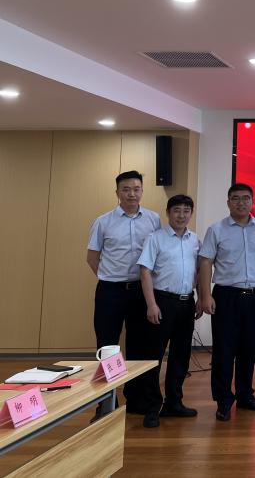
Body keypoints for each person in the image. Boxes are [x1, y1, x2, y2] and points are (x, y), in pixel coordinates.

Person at [86, 170, 161, 416]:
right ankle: (107, 403)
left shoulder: (153, 219)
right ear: (117, 192)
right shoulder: (103, 221)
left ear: (142, 191)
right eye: (126, 189)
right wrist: (109, 277)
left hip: (141, 291)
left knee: (139, 346)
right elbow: (92, 257)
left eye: (136, 189)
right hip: (111, 291)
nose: (131, 194)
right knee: (108, 346)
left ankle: (136, 399)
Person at [198, 183, 255, 422]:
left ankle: (245, 395)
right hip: (225, 296)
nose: (241, 203)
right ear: (228, 202)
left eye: (245, 198)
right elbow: (205, 262)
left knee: (248, 349)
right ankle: (223, 400)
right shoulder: (216, 229)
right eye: (235, 198)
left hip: (253, 296)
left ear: (252, 201)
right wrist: (205, 295)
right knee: (224, 350)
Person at [137, 194, 202, 429]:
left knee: (180, 355)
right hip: (162, 301)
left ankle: (174, 402)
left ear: (191, 214)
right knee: (153, 356)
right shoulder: (156, 238)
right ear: (168, 213)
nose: (181, 215)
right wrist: (151, 304)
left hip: (186, 303)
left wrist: (200, 298)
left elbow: (199, 271)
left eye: (186, 211)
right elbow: (145, 271)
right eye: (177, 210)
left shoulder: (195, 240)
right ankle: (152, 407)